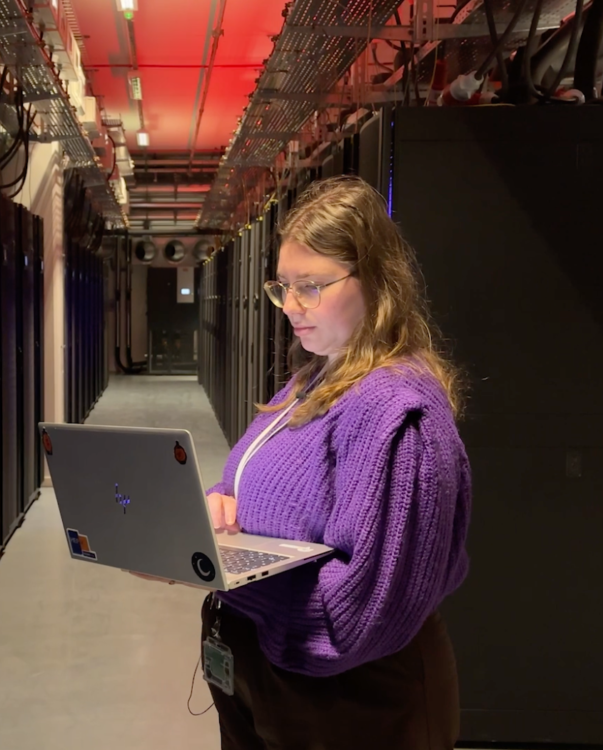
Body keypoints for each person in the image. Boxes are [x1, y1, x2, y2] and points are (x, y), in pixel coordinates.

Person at [137, 175, 472, 749]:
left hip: (352, 701)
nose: (290, 306)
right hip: (269, 680)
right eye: (283, 286)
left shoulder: (399, 413)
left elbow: (357, 616)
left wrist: (229, 581)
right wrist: (221, 505)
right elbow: (253, 475)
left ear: (375, 280)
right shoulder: (312, 378)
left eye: (311, 287)